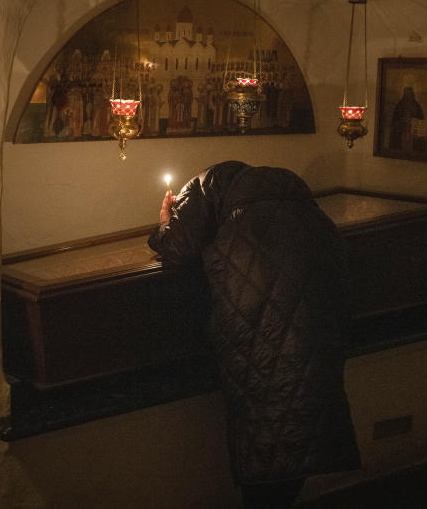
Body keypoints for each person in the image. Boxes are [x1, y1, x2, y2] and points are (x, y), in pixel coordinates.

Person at [148, 161, 360, 509]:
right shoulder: (306, 210)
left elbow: (177, 246)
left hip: (262, 341)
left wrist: (165, 222)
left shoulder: (205, 193)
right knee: (300, 424)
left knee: (267, 436)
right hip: (319, 335)